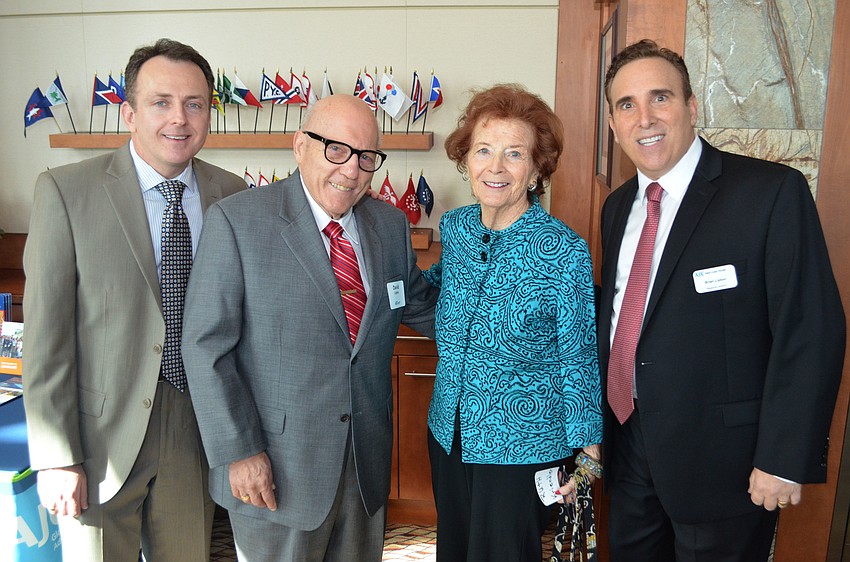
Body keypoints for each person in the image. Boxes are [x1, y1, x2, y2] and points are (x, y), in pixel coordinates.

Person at [598, 39, 846, 561]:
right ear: (615, 123)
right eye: (627, 105)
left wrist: (783, 457)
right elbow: (621, 317)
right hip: (630, 449)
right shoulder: (618, 207)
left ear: (691, 107)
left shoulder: (770, 193)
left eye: (659, 98)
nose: (644, 118)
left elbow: (810, 329)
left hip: (727, 467)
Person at [181, 93, 438, 562]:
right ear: (300, 146)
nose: (351, 170)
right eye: (335, 149)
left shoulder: (389, 226)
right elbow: (204, 347)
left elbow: (423, 306)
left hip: (364, 467)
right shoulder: (238, 221)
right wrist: (240, 452)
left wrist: (517, 322)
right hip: (275, 470)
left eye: (366, 157)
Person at [22, 38, 246, 561]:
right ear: (129, 113)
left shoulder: (233, 197)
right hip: (100, 436)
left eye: (194, 104)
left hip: (196, 430)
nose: (179, 119)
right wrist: (57, 457)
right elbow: (47, 337)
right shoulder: (66, 191)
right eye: (161, 102)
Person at [423, 84, 602, 562]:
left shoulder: (563, 250)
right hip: (449, 430)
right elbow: (443, 286)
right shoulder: (458, 227)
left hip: (520, 447)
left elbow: (577, 353)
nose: (495, 167)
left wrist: (586, 454)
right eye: (483, 150)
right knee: (454, 551)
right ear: (467, 159)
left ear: (537, 168)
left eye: (514, 154)